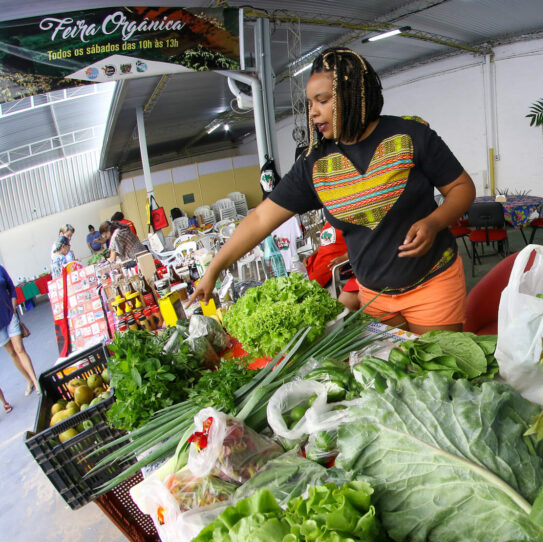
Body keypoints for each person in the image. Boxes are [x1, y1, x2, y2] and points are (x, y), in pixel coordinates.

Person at [190, 47, 475, 334]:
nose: (312, 112)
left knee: (439, 372)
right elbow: (260, 220)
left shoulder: (410, 135)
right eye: (310, 103)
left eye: (322, 100)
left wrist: (434, 222)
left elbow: (462, 188)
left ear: (351, 95)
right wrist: (215, 269)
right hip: (374, 298)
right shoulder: (315, 164)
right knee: (400, 377)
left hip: (432, 285)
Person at [0, 264, 39, 399]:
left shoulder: (0, 268)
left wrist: (14, 305)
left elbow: (11, 287)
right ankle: (28, 380)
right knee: (12, 353)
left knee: (19, 349)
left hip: (10, 314)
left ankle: (35, 381)